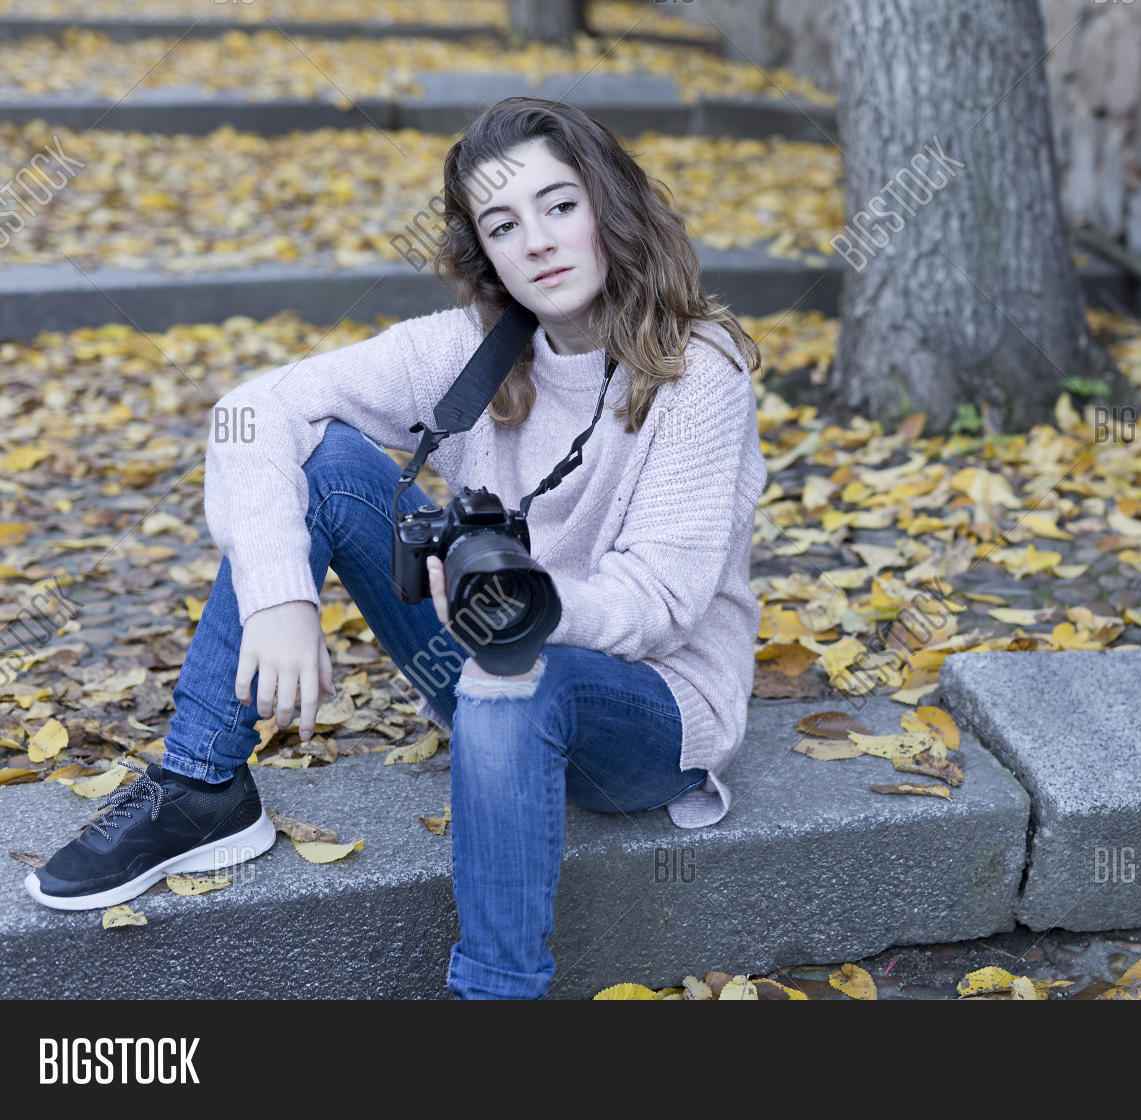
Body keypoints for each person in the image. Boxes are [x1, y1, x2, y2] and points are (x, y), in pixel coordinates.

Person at [23, 96, 768, 999]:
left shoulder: (700, 368)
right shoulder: (473, 351)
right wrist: (280, 595)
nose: (536, 240)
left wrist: (519, 611)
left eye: (559, 205)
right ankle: (201, 784)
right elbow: (250, 410)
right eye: (503, 223)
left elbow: (661, 602)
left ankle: (496, 997)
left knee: (512, 669)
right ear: (482, 252)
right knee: (327, 458)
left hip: (651, 708)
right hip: (489, 653)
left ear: (609, 205)